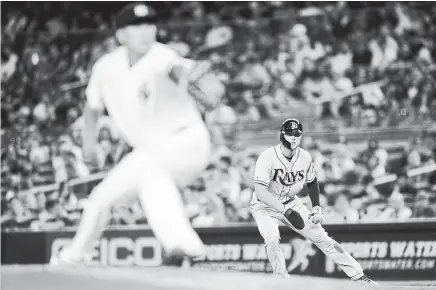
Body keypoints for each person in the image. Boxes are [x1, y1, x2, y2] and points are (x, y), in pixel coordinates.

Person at [50, 3, 224, 265]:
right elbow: (92, 107)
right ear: (120, 35)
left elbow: (185, 72)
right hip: (151, 153)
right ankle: (74, 256)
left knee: (149, 171)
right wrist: (89, 144)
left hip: (186, 141)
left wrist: (200, 81)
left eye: (150, 24)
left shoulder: (162, 57)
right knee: (102, 198)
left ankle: (185, 245)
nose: (145, 31)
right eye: (136, 26)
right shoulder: (105, 67)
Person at [249, 118, 379, 286]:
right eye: (290, 134)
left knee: (322, 238)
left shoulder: (304, 156)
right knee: (272, 238)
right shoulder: (267, 157)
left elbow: (312, 182)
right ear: (282, 135)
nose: (294, 138)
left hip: (290, 202)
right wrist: (285, 211)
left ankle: (358, 276)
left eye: (297, 134)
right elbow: (260, 192)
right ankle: (280, 280)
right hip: (264, 205)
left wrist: (316, 206)